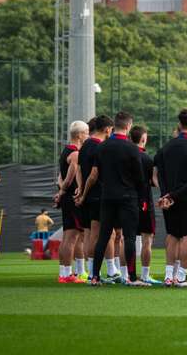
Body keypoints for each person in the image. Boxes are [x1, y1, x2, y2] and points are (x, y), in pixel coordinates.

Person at [89, 111, 143, 286]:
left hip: (107, 196)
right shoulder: (132, 148)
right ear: (128, 126)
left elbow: (97, 173)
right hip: (128, 196)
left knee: (103, 236)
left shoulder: (101, 147)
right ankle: (132, 278)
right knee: (129, 237)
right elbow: (139, 178)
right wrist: (142, 199)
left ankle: (95, 276)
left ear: (114, 126)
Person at [156, 109, 187, 288]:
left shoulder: (166, 147)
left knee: (172, 236)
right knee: (186, 237)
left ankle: (169, 276)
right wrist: (174, 195)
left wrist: (166, 194)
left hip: (169, 198)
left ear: (179, 124)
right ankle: (181, 277)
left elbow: (159, 173)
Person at [75, 115, 115, 281]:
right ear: (107, 129)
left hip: (90, 195)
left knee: (91, 233)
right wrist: (83, 192)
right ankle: (107, 271)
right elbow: (94, 174)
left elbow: (78, 169)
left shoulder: (84, 146)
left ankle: (93, 271)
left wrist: (80, 188)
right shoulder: (100, 147)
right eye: (111, 130)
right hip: (98, 194)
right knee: (103, 234)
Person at [55, 120, 88, 283]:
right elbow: (69, 175)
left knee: (74, 236)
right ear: (80, 135)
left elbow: (59, 177)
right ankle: (66, 274)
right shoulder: (75, 153)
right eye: (86, 133)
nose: (87, 135)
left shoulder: (66, 150)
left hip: (68, 198)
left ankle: (68, 272)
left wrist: (61, 190)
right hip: (72, 199)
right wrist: (63, 190)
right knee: (71, 236)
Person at [131, 125, 162, 285]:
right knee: (147, 239)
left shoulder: (126, 156)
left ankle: (125, 274)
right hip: (143, 201)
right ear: (143, 139)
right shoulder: (147, 159)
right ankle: (145, 274)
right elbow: (154, 182)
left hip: (127, 200)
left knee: (126, 238)